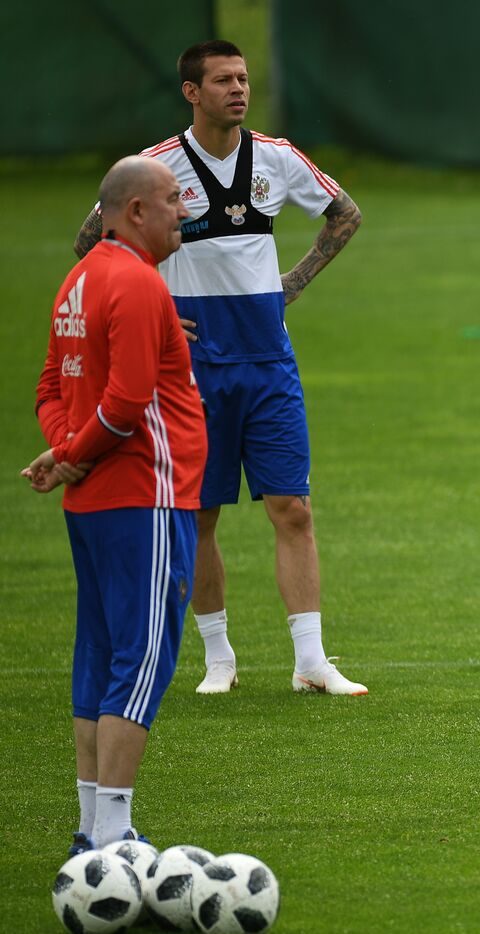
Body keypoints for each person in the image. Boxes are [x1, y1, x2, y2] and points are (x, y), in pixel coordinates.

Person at [74, 40, 366, 696]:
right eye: (223, 80)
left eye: (242, 78)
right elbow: (88, 246)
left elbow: (345, 213)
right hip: (190, 369)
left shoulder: (279, 159)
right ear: (191, 92)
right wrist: (148, 308)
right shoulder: (154, 168)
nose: (238, 89)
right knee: (201, 513)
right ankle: (218, 657)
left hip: (268, 360)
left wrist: (295, 279)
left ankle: (311, 661)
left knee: (293, 506)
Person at [28, 156, 207, 852]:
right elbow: (130, 404)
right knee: (142, 658)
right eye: (170, 200)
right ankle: (115, 833)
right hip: (146, 495)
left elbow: (49, 387)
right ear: (135, 211)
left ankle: (89, 828)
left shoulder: (79, 279)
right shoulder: (136, 283)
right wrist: (80, 449)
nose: (181, 211)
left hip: (95, 499)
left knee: (98, 656)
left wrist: (68, 449)